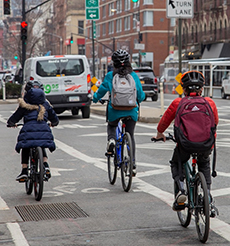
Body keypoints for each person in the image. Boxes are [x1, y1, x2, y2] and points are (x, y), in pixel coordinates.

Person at [153, 70, 219, 214]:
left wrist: (160, 133)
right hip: (206, 144)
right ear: (202, 89)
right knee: (204, 164)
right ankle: (207, 196)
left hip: (185, 145)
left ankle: (181, 190)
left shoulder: (178, 102)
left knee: (177, 161)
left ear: (183, 88)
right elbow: (215, 122)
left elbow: (165, 121)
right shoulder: (210, 103)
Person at [93, 49, 145, 175]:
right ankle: (132, 164)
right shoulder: (133, 76)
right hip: (131, 111)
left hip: (114, 110)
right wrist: (137, 100)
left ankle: (111, 140)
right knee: (130, 135)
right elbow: (141, 95)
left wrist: (95, 98)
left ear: (113, 63)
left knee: (112, 125)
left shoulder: (110, 76)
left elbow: (101, 90)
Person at [7, 80, 59, 182]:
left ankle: (24, 170)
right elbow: (54, 118)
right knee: (41, 143)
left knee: (26, 146)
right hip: (44, 130)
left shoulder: (24, 104)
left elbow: (15, 117)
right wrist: (53, 123)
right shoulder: (46, 104)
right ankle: (45, 165)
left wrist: (11, 123)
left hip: (28, 130)